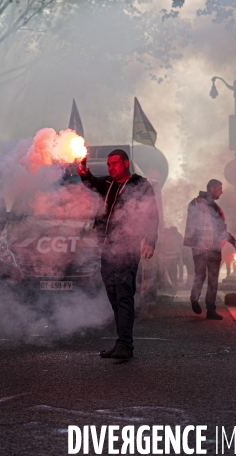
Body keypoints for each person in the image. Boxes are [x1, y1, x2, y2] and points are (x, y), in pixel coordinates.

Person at [77, 149, 159, 360]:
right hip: (107, 250)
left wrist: (150, 242)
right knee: (114, 297)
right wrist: (83, 171)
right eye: (108, 165)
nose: (110, 168)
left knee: (123, 296)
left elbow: (152, 215)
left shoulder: (140, 185)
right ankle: (122, 341)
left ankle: (125, 344)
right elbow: (92, 182)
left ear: (126, 163)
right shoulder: (109, 184)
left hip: (127, 248)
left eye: (114, 164)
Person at [183, 179, 236, 320]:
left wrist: (233, 241)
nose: (222, 191)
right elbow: (191, 224)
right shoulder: (196, 203)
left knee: (213, 280)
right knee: (200, 275)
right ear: (212, 188)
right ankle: (194, 299)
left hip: (214, 248)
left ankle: (211, 310)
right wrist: (198, 241)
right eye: (220, 188)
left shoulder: (215, 207)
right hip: (200, 247)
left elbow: (220, 229)